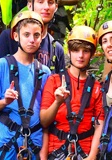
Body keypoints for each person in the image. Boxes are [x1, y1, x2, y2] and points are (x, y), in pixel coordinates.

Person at [0, 0, 66, 92]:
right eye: (40, 1)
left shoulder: (56, 48)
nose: (46, 7)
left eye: (50, 2)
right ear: (30, 5)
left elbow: (60, 86)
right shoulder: (9, 37)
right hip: (9, 106)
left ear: (55, 7)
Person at [0, 11, 51, 160]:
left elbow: (46, 117)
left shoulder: (45, 72)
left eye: (36, 35)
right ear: (16, 36)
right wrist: (5, 101)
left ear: (41, 38)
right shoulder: (2, 65)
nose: (31, 40)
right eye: (26, 35)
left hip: (35, 144)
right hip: (6, 143)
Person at [40, 26, 104, 160]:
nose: (80, 55)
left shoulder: (96, 87)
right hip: (56, 150)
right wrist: (58, 102)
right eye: (76, 50)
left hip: (85, 152)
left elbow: (99, 125)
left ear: (92, 54)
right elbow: (44, 122)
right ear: (69, 52)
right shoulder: (54, 81)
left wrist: (92, 156)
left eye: (85, 51)